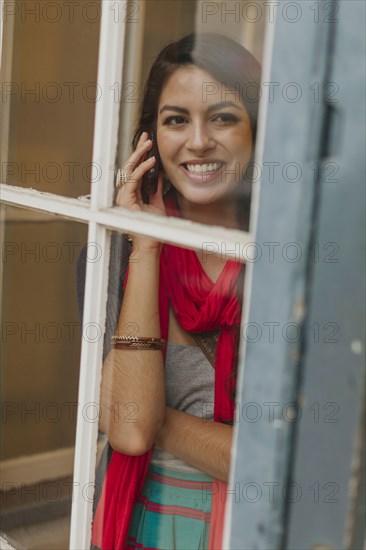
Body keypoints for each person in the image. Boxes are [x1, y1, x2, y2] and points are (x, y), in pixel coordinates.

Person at [83, 32, 261, 550]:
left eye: (224, 117)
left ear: (259, 131)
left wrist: (148, 411)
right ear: (151, 139)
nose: (198, 141)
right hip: (134, 518)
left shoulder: (290, 264)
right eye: (176, 119)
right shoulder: (114, 252)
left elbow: (266, 463)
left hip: (252, 529)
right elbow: (130, 436)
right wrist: (147, 246)